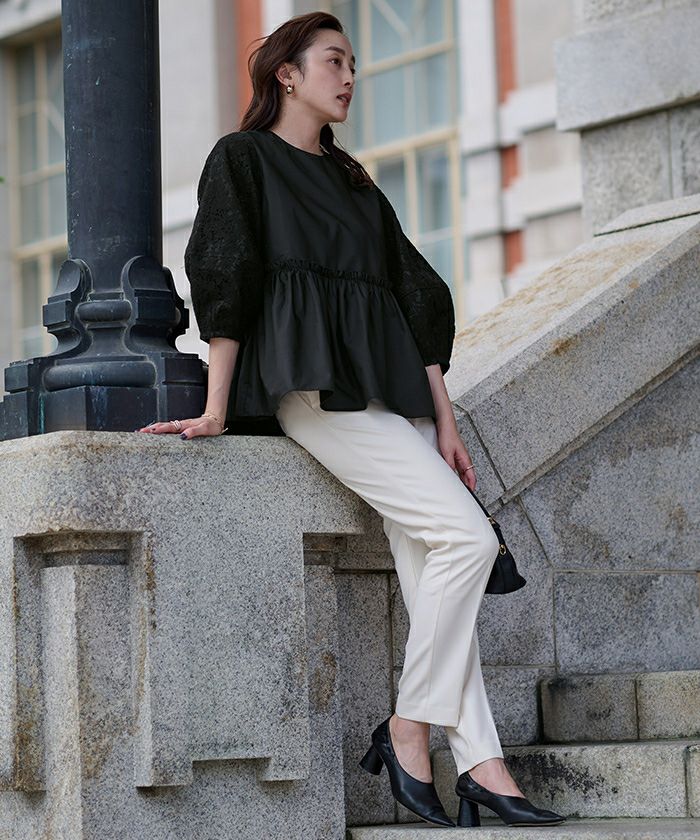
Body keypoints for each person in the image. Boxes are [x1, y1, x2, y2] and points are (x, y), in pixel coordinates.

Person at [136, 10, 565, 830]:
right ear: (286, 74)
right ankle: (407, 728)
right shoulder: (243, 159)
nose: (350, 78)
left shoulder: (354, 181)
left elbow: (416, 296)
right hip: (310, 390)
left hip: (390, 389)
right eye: (334, 61)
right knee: (468, 541)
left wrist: (445, 424)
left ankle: (483, 765)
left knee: (432, 564)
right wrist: (217, 407)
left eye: (354, 65)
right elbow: (226, 275)